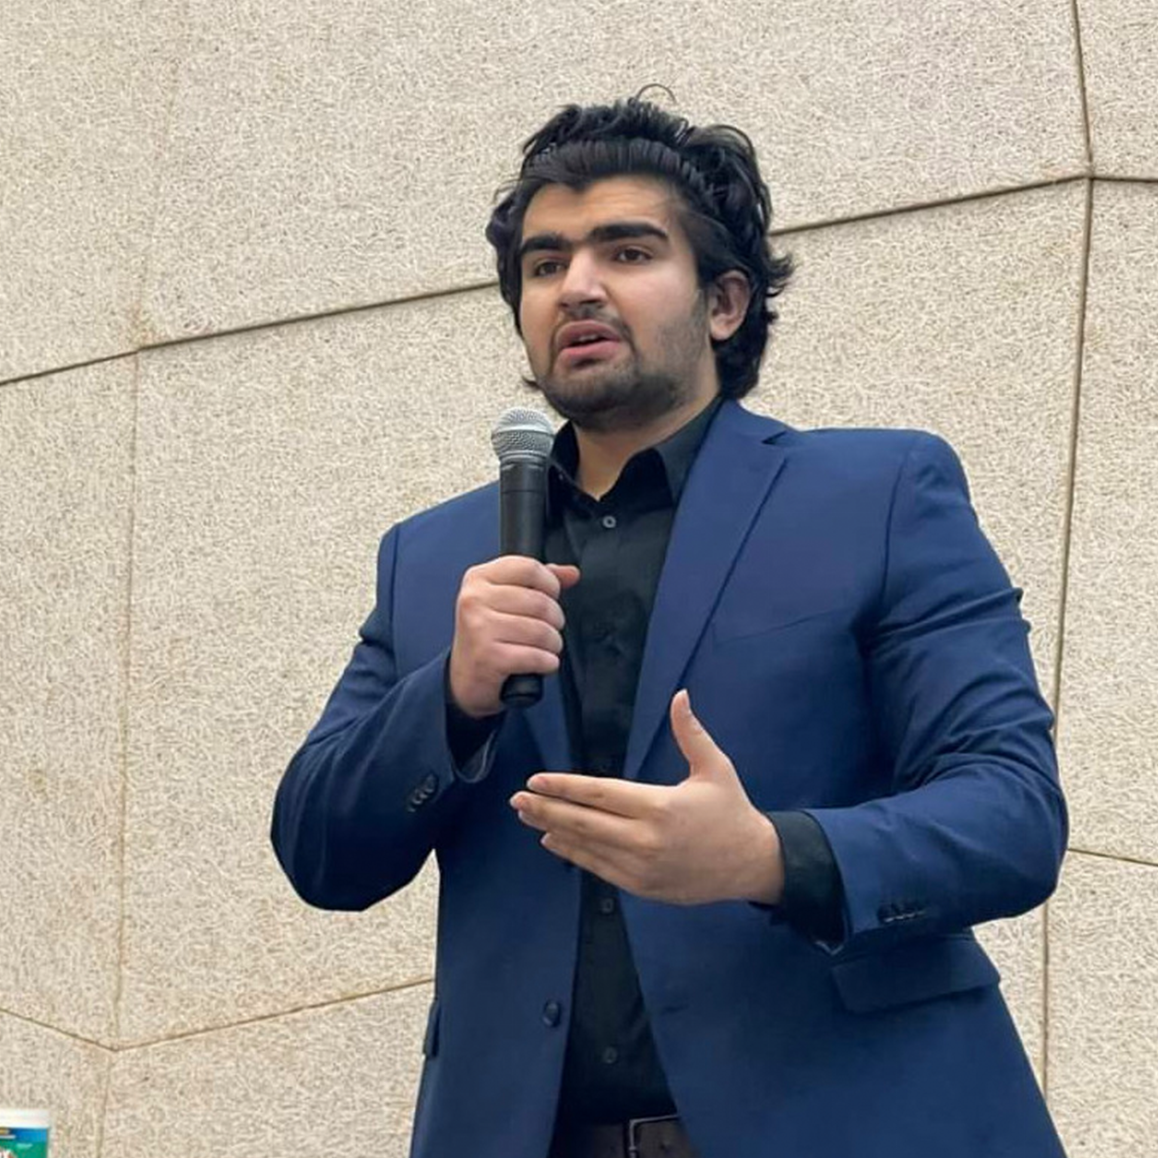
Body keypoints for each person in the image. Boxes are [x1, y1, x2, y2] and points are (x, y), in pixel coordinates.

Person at [270, 88, 1069, 1158]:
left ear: (725, 302)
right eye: (545, 265)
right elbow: (321, 853)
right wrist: (451, 700)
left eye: (628, 251)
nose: (578, 286)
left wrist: (771, 856)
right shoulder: (432, 561)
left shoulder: (878, 494)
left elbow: (1011, 815)